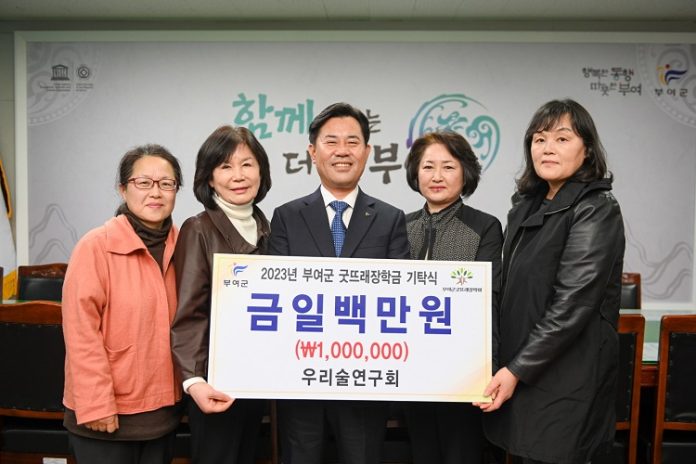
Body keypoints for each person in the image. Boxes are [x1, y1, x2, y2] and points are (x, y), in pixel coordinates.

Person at [477, 99, 625, 464]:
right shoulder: (525, 205)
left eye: (562, 138)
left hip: (567, 377)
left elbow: (572, 305)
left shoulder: (596, 208)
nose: (547, 148)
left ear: (586, 149)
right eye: (539, 139)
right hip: (524, 369)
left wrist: (516, 370)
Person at [268, 102, 410, 464]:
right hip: (300, 378)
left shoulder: (390, 219)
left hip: (365, 380)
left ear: (367, 152)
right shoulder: (286, 217)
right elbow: (277, 297)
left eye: (352, 142)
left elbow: (400, 298)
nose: (342, 151)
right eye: (331, 142)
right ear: (313, 152)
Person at [62, 144, 184, 463]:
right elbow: (81, 333)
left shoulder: (185, 245)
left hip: (164, 414)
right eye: (143, 183)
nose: (155, 192)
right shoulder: (95, 246)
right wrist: (96, 404)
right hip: (105, 417)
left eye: (166, 183)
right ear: (123, 189)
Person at [170, 125, 272, 464]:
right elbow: (189, 314)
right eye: (225, 166)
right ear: (210, 179)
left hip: (257, 379)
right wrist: (195, 381)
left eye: (247, 164)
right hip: (214, 384)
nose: (238, 176)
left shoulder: (267, 228)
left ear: (261, 171)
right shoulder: (198, 229)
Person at [403, 131, 503, 464]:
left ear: (465, 173)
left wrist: (488, 368)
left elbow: (488, 301)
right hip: (411, 368)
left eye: (448, 167)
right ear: (416, 174)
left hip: (464, 370)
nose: (437, 176)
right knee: (421, 453)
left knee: (461, 453)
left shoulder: (484, 227)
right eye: (428, 167)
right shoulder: (401, 226)